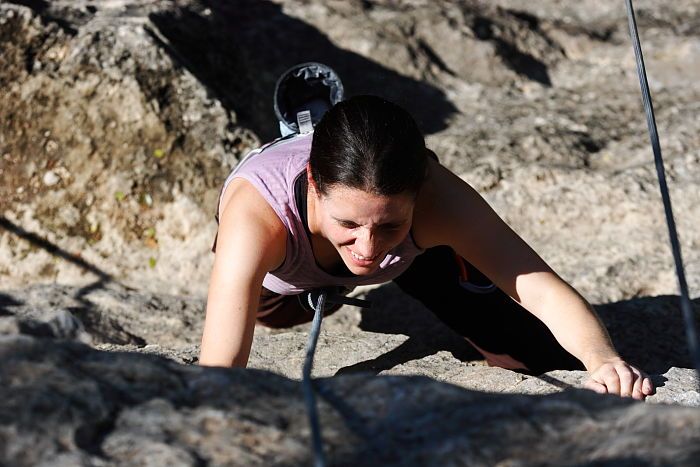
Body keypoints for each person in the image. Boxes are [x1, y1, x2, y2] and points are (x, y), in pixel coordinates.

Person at [200, 94, 655, 400]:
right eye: (348, 223)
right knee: (280, 315)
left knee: (528, 354)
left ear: (418, 192)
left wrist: (603, 359)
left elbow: (538, 288)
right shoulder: (257, 215)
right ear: (316, 185)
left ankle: (334, 132)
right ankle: (306, 126)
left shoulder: (439, 197)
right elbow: (221, 368)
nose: (367, 246)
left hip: (412, 259)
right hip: (287, 277)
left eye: (388, 222)